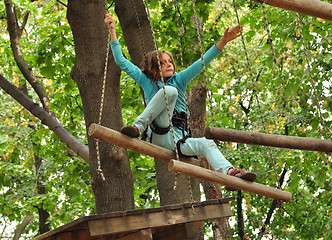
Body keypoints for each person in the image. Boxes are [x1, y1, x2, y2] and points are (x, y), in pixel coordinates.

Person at [104, 13, 257, 188]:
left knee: (205, 143)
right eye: (163, 63)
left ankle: (230, 173)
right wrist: (112, 29)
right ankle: (138, 126)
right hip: (159, 133)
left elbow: (202, 62)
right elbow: (121, 61)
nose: (169, 64)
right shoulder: (147, 82)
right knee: (169, 91)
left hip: (179, 141)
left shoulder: (180, 80)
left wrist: (224, 41)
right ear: (154, 67)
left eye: (170, 61)